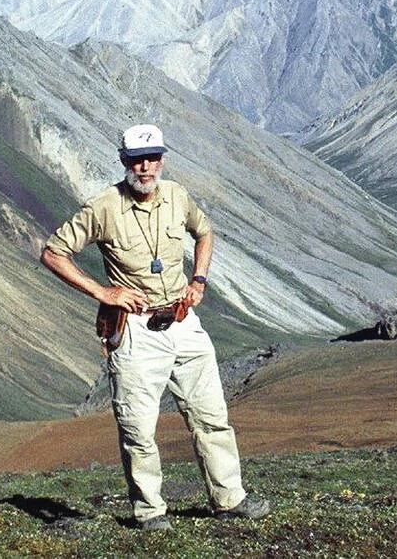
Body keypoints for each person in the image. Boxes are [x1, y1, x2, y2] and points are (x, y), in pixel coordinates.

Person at [41, 123, 271, 531]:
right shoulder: (104, 207)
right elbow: (53, 253)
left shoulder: (177, 195)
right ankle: (149, 512)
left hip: (184, 321)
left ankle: (229, 498)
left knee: (211, 416)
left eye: (152, 158)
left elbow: (204, 231)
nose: (145, 168)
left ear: (162, 159)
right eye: (136, 160)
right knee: (138, 429)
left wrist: (199, 280)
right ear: (124, 161)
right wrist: (103, 292)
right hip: (136, 332)